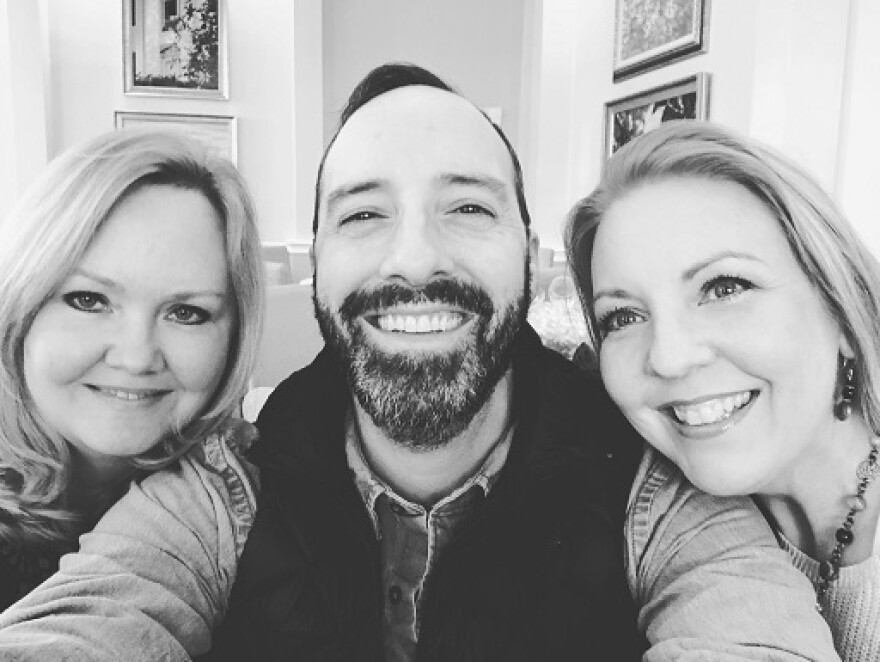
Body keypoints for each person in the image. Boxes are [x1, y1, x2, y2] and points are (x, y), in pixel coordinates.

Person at [0, 66, 838, 662]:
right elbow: (94, 616)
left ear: (531, 257)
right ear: (317, 263)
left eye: (468, 206)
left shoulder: (657, 495)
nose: (414, 257)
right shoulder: (220, 489)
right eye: (363, 213)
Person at [566, 120, 880, 661]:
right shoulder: (637, 508)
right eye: (623, 316)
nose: (667, 357)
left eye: (724, 287)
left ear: (839, 301)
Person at [0, 130, 264, 658]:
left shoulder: (239, 496)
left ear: (233, 337)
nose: (137, 356)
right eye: (88, 299)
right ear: (21, 309)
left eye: (186, 313)